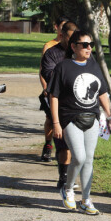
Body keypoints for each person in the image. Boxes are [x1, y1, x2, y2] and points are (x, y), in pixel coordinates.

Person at [48, 30, 111, 215]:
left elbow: (102, 93)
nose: (88, 48)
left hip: (91, 118)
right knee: (79, 156)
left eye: (90, 44)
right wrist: (55, 123)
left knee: (89, 159)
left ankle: (86, 199)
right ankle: (68, 189)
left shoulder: (94, 66)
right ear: (73, 46)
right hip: (69, 118)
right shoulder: (63, 67)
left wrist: (109, 117)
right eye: (84, 44)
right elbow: (54, 96)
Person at [40, 21, 78, 188]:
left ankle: (70, 174)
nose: (72, 43)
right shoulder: (52, 53)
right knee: (63, 142)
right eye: (69, 38)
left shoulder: (81, 52)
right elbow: (48, 74)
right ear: (62, 35)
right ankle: (63, 176)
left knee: (76, 144)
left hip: (78, 104)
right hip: (59, 102)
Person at [39, 16, 70, 162]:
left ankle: (63, 151)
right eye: (61, 27)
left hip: (66, 93)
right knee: (50, 119)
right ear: (56, 27)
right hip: (50, 88)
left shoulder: (74, 47)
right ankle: (48, 144)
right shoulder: (49, 46)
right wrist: (46, 87)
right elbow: (43, 70)